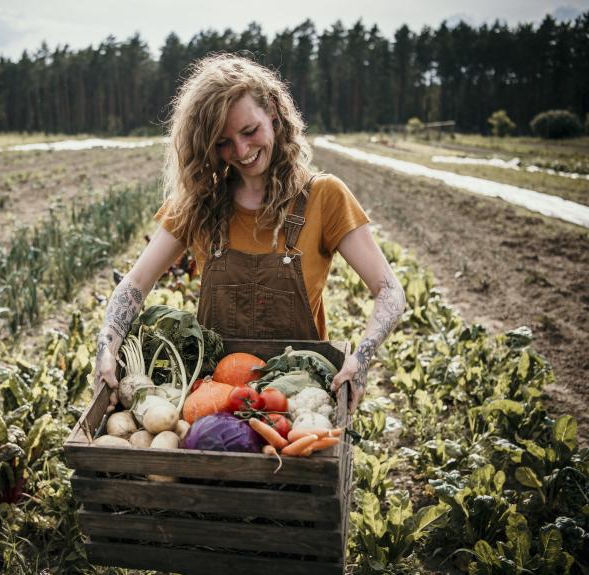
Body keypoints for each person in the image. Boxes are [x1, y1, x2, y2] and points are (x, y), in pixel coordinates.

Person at [94, 54, 406, 414]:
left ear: (273, 111)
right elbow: (136, 283)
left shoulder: (323, 197)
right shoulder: (200, 204)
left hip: (298, 406)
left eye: (249, 131)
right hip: (214, 400)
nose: (241, 152)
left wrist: (362, 357)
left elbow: (389, 290)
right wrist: (108, 343)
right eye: (223, 142)